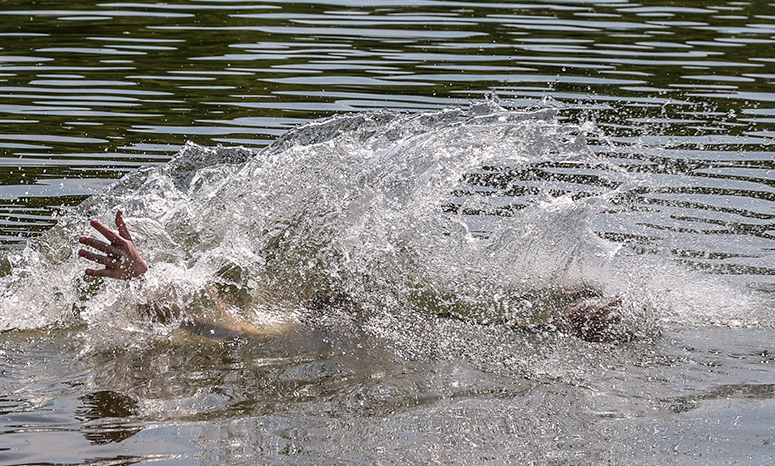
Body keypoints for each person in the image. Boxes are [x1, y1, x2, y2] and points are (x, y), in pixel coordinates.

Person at [78, 211, 623, 342]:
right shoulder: (264, 327)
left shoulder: (265, 329)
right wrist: (146, 277)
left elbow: (209, 315)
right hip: (336, 313)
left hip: (332, 316)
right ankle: (565, 317)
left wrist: (144, 276)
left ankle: (564, 319)